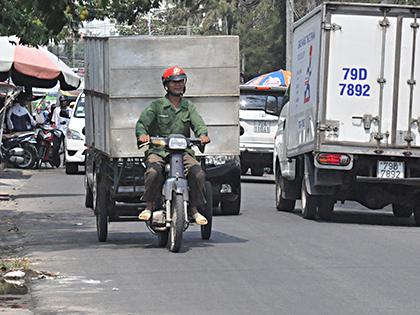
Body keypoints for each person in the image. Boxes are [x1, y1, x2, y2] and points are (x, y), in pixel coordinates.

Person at [135, 66, 210, 225]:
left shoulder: (188, 106)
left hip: (183, 152)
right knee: (153, 172)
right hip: (159, 151)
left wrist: (202, 135)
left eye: (180, 81)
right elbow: (142, 123)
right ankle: (148, 206)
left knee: (198, 173)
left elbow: (199, 124)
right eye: (174, 82)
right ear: (166, 84)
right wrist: (143, 135)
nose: (178, 85)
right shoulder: (157, 106)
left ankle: (194, 209)